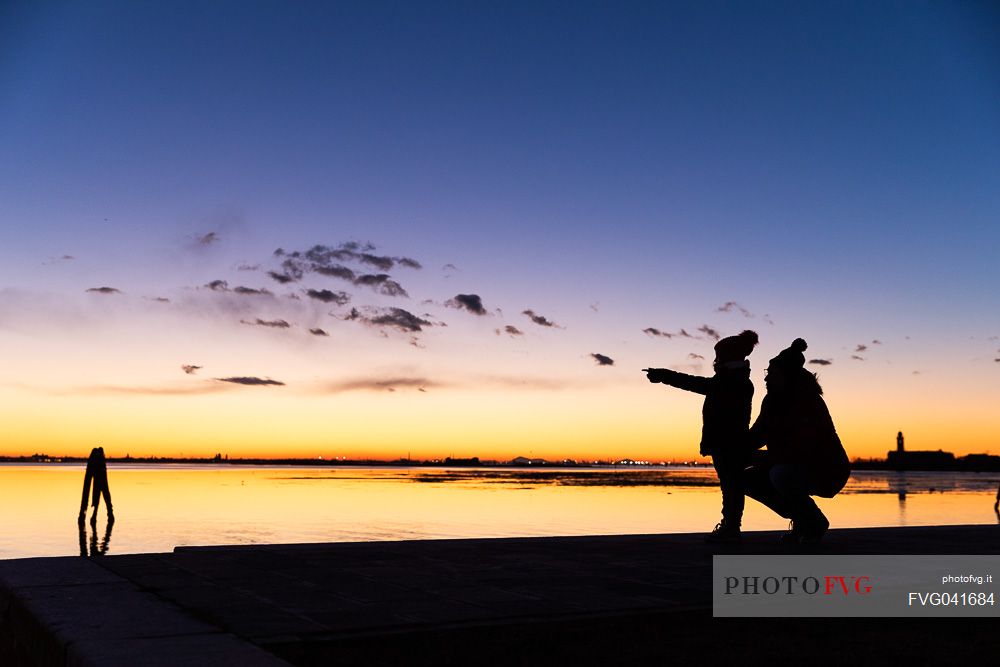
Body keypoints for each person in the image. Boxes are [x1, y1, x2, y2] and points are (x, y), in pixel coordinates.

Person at [645, 330, 759, 542]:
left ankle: (731, 527)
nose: (715, 360)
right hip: (727, 443)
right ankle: (730, 526)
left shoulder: (732, 381)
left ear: (728, 357)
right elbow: (699, 384)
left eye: (718, 355)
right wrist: (664, 375)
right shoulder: (732, 379)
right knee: (730, 484)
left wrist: (664, 375)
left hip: (729, 443)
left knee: (731, 485)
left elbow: (695, 383)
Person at [743, 338, 850, 543]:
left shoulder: (808, 402)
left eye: (771, 374)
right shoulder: (771, 400)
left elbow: (801, 450)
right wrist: (731, 447)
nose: (766, 379)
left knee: (781, 474)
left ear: (787, 376)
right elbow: (757, 435)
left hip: (827, 469)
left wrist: (760, 458)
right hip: (791, 464)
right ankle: (802, 519)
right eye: (766, 373)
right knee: (745, 478)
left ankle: (814, 521)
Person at [79, 446, 114, 525]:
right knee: (100, 489)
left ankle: (95, 514)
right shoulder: (96, 462)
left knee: (101, 488)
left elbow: (103, 489)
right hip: (96, 467)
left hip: (99, 469)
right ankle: (87, 515)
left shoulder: (100, 464)